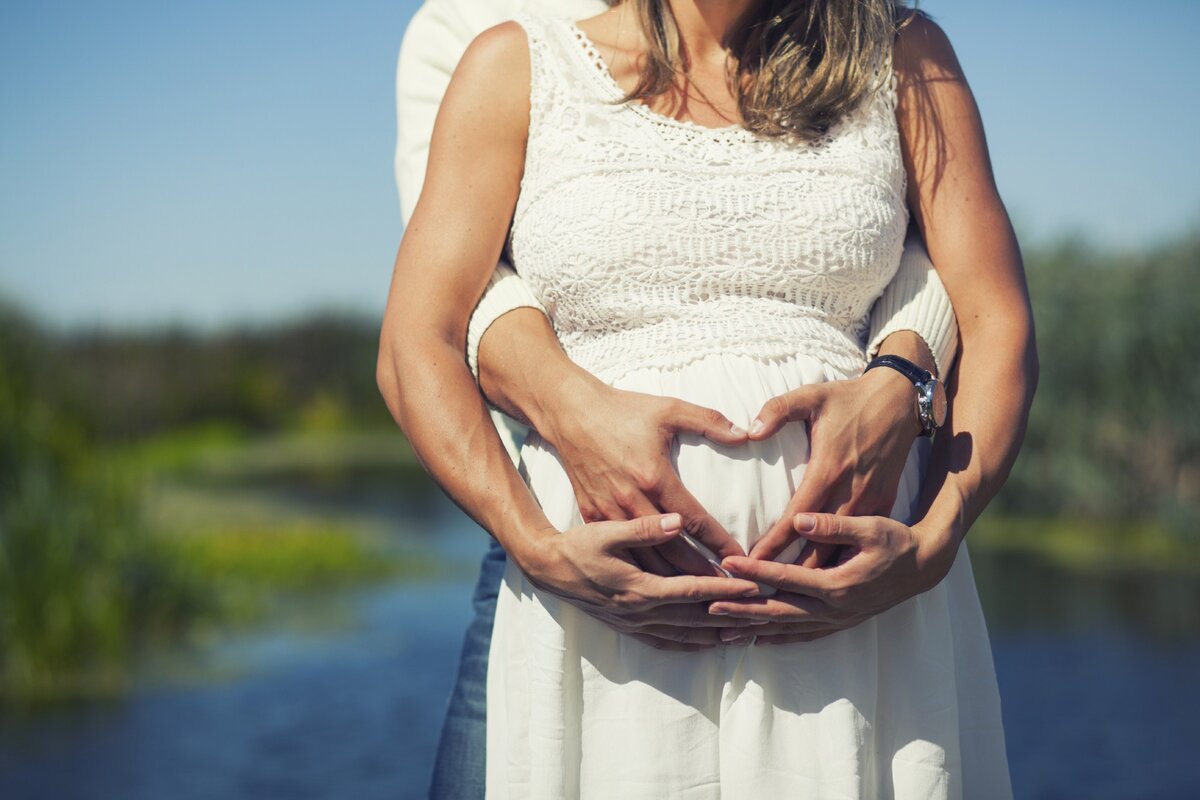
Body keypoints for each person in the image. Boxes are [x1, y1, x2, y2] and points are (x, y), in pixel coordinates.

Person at [379, 0, 1037, 796]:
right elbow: (419, 340)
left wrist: (936, 537)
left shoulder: (902, 54)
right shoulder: (509, 60)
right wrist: (533, 541)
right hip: (611, 618)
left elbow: (994, 317)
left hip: (865, 619)